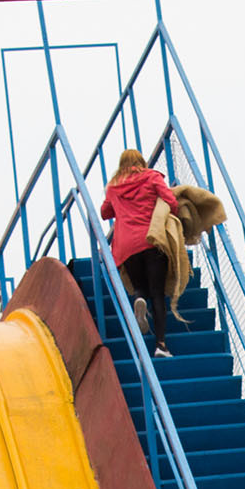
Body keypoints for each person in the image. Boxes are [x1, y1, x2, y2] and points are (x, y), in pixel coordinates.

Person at [99, 148, 180, 359]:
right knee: (158, 293)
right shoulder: (152, 177)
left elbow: (104, 212)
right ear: (141, 162)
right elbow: (171, 202)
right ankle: (161, 345)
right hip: (152, 240)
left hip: (126, 246)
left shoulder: (114, 186)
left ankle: (139, 300)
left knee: (140, 287)